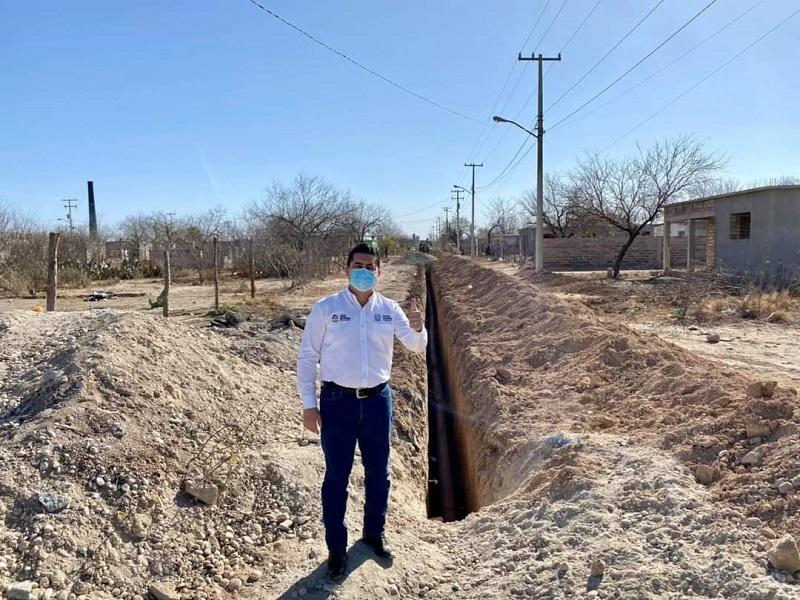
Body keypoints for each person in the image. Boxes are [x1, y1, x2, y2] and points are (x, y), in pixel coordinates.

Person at [297, 243, 427, 579]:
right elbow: (307, 358)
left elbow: (415, 346)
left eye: (370, 267)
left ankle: (373, 533)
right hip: (337, 403)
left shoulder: (389, 309)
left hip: (377, 401)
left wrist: (418, 328)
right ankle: (336, 549)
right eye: (358, 265)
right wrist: (309, 405)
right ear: (347, 269)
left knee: (379, 473)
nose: (364, 271)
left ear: (379, 271)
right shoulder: (326, 308)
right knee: (336, 478)